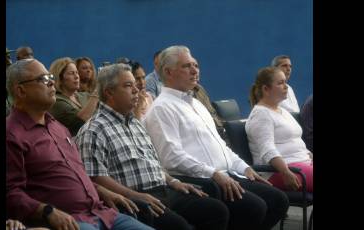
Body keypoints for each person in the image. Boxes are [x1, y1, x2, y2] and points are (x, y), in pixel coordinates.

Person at [143, 45, 289, 230]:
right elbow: (172, 157)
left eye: (196, 65)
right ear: (168, 71)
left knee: (278, 199)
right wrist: (214, 174)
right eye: (187, 66)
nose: (195, 70)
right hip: (201, 180)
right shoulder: (161, 108)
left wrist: (244, 168)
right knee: (254, 207)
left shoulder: (196, 103)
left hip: (226, 175)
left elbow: (220, 146)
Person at [76, 63, 229, 230]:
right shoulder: (94, 130)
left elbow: (152, 164)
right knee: (180, 226)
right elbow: (95, 178)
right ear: (109, 92)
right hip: (132, 199)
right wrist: (136, 196)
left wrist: (174, 181)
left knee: (216, 211)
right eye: (128, 86)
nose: (136, 90)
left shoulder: (135, 123)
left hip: (164, 189)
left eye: (135, 84)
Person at [6, 58, 153, 230]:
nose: (52, 82)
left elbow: (76, 174)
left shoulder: (57, 127)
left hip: (102, 213)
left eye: (51, 77)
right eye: (44, 79)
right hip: (68, 220)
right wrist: (47, 211)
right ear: (21, 90)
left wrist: (101, 190)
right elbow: (10, 193)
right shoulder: (12, 134)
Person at [245, 67, 313, 193]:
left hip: (302, 163)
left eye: (285, 82)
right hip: (278, 171)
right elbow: (267, 150)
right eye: (280, 83)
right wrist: (286, 172)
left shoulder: (283, 111)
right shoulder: (261, 114)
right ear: (266, 89)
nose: (286, 86)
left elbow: (295, 140)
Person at [48, 57, 99, 136]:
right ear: (60, 78)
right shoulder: (56, 101)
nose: (77, 76)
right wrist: (97, 91)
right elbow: (81, 121)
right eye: (72, 73)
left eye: (77, 73)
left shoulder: (83, 95)